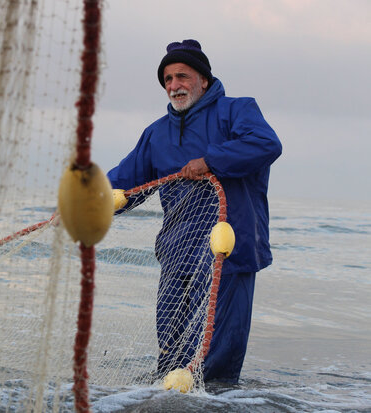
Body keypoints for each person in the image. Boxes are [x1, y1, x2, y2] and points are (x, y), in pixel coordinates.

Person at [107, 39, 282, 383]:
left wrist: (211, 160)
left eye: (182, 76)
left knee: (215, 365)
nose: (174, 85)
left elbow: (266, 144)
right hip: (177, 254)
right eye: (168, 79)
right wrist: (86, 203)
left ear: (203, 79)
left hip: (227, 253)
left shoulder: (238, 111)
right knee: (170, 357)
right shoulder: (156, 133)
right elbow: (123, 186)